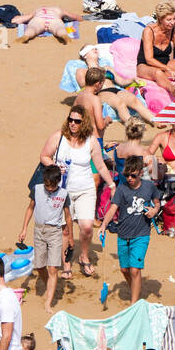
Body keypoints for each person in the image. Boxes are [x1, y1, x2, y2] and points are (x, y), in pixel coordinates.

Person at [39, 108, 114, 277]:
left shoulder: (91, 141)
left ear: (84, 123)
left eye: (77, 121)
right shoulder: (59, 137)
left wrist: (111, 184)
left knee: (87, 227)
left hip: (85, 189)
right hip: (63, 191)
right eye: (70, 120)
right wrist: (55, 166)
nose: (73, 123)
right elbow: (44, 156)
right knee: (65, 230)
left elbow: (100, 165)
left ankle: (84, 256)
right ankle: (66, 263)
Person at [98, 155, 159, 305]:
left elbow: (157, 203)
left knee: (135, 270)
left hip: (141, 235)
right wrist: (103, 225)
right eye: (127, 175)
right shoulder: (122, 188)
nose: (129, 178)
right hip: (123, 234)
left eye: (133, 175)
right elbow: (113, 208)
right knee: (125, 270)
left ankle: (134, 304)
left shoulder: (149, 187)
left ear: (140, 172)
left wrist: (154, 211)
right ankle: (135, 288)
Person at [25, 163, 73, 312]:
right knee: (40, 266)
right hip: (39, 230)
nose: (49, 189)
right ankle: (50, 285)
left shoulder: (64, 194)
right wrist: (24, 229)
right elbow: (30, 208)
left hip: (54, 232)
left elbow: (68, 217)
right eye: (47, 185)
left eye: (52, 186)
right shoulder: (37, 189)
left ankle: (48, 303)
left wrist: (70, 237)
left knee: (53, 267)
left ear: (58, 182)